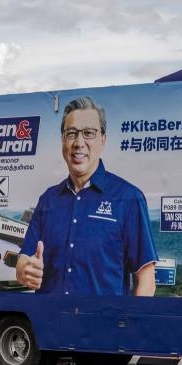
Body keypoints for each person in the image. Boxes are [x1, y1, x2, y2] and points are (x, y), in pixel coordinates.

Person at [16, 96, 157, 296]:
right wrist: (24, 270)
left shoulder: (128, 198)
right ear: (63, 140)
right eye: (71, 133)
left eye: (89, 133)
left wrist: (133, 317)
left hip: (105, 317)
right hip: (49, 316)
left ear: (103, 139)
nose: (79, 143)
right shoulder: (48, 200)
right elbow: (24, 260)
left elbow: (146, 280)